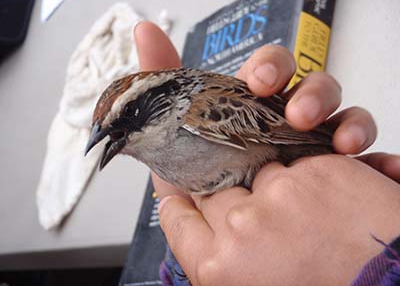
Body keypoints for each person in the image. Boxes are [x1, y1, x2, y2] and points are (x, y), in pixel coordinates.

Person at [134, 21, 400, 286]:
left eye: (128, 118)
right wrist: (196, 259)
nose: (113, 141)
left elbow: (285, 133)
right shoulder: (165, 164)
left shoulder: (200, 111)